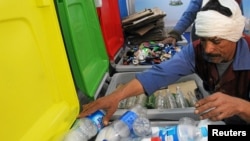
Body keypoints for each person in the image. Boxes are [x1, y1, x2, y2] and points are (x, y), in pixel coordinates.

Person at [78, 0, 250, 125]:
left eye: (216, 41)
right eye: (204, 40)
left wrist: (241, 106)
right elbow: (157, 75)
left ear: (235, 36)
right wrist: (115, 97)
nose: (208, 49)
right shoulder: (195, 51)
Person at [163, 0, 242, 46]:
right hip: (202, 36)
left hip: (226, 38)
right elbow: (190, 14)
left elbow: (238, 19)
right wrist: (175, 34)